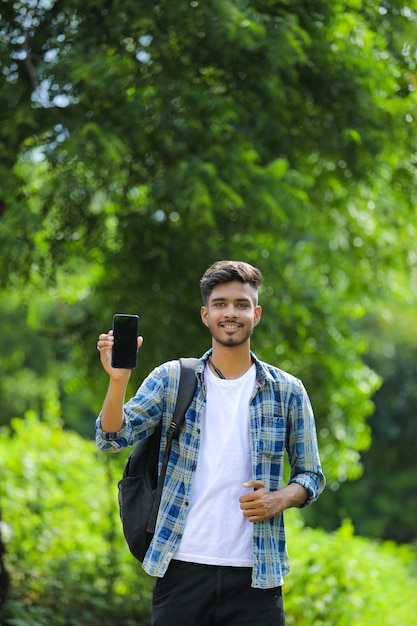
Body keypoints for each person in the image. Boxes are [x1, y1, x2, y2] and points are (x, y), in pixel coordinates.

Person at [96, 260, 325, 626]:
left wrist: (278, 499)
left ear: (256, 313)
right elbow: (111, 437)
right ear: (206, 315)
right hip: (181, 567)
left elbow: (311, 475)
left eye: (241, 304)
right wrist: (118, 379)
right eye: (220, 304)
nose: (230, 312)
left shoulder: (287, 391)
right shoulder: (173, 378)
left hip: (257, 575)